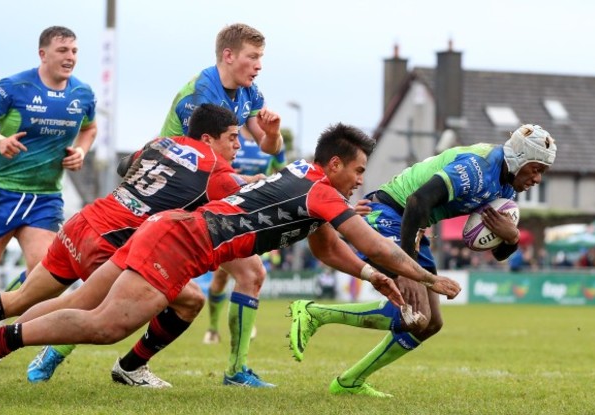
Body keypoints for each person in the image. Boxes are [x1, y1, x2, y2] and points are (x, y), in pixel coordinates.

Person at [0, 123, 461, 395]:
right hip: (180, 245)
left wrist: (373, 276)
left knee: (84, 305)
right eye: (358, 171)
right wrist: (424, 277)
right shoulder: (323, 191)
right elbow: (371, 241)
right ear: (335, 165)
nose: (360, 181)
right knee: (104, 325)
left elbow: (328, 246)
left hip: (167, 231)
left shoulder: (304, 177)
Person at [0, 104, 245, 388]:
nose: (238, 145)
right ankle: (129, 367)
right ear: (207, 138)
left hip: (83, 222)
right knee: (187, 299)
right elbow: (254, 198)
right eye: (232, 137)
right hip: (109, 240)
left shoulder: (163, 142)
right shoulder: (217, 172)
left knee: (20, 298)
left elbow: (123, 166)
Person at [287, 124, 557, 397]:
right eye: (536, 169)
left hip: (412, 226)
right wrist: (405, 267)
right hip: (389, 213)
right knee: (416, 316)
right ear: (520, 158)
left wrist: (510, 238)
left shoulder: (505, 191)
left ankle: (350, 381)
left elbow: (496, 253)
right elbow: (418, 201)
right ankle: (315, 313)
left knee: (431, 323)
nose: (537, 179)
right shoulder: (478, 167)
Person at [159, 23, 284, 386]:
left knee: (251, 274)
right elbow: (200, 163)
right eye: (253, 57)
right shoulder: (200, 96)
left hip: (205, 201)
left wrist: (273, 132)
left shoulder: (248, 93)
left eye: (261, 57)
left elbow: (269, 148)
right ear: (228, 56)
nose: (259, 65)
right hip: (165, 200)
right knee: (119, 286)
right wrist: (247, 185)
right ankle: (56, 350)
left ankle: (236, 371)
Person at [0, 26, 97, 314]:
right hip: (1, 191)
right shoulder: (14, 87)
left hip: (45, 197)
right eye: (62, 50)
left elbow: (90, 128)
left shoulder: (82, 94)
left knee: (46, 275)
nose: (70, 57)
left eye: (74, 51)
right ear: (43, 54)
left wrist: (81, 151)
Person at [203, 132, 286, 345]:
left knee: (253, 274)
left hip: (259, 218)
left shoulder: (273, 143)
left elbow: (282, 174)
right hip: (226, 217)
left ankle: (246, 324)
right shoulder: (230, 138)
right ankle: (213, 328)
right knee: (222, 277)